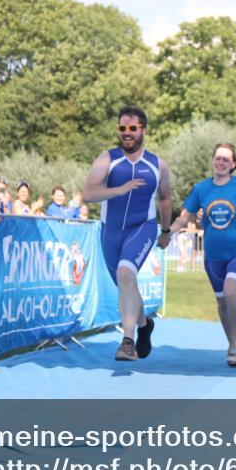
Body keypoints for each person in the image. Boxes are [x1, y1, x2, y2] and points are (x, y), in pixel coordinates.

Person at [82, 105, 172, 362]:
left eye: (133, 128)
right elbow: (88, 193)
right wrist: (118, 190)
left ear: (143, 129)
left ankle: (127, 342)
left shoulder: (158, 165)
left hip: (142, 228)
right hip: (110, 232)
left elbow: (165, 199)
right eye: (123, 128)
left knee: (125, 273)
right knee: (126, 285)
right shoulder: (107, 159)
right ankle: (144, 324)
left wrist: (165, 231)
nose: (127, 133)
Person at [168, 143, 236, 367]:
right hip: (213, 257)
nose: (221, 162)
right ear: (213, 161)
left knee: (230, 290)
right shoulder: (201, 189)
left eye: (226, 159)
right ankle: (231, 345)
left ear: (233, 164)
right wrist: (167, 231)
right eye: (218, 158)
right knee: (221, 302)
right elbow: (185, 216)